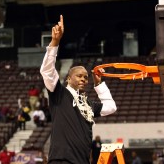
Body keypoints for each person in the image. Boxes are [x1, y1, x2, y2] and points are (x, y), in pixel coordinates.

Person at [40, 15, 117, 164]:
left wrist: (99, 85)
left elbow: (111, 107)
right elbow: (47, 71)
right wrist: (55, 43)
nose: (83, 79)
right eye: (79, 76)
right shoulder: (59, 93)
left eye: (86, 77)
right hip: (61, 160)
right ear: (69, 79)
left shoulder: (88, 104)